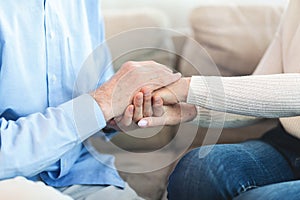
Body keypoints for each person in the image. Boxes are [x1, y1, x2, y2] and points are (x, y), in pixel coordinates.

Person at [0, 1, 180, 199]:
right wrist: (101, 104)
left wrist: (117, 114)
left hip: (81, 174)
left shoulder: (84, 4)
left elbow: (100, 95)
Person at [134, 0, 300, 199]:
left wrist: (188, 88)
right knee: (195, 171)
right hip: (289, 145)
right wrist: (188, 110)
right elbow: (261, 93)